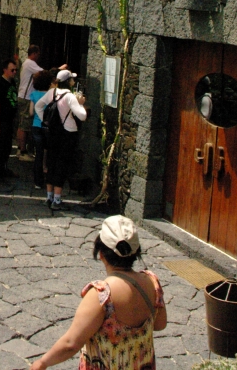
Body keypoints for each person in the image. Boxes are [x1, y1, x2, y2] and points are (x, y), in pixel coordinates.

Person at [30, 216, 166, 370]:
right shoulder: (152, 282)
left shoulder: (102, 295)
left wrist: (42, 363)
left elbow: (71, 344)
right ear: (136, 252)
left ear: (101, 253)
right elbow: (160, 324)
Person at [34, 69, 88, 209]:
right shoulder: (69, 96)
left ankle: (49, 197)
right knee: (62, 165)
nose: (73, 81)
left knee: (51, 163)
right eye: (72, 79)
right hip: (67, 133)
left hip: (53, 132)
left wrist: (45, 121)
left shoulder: (52, 93)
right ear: (69, 81)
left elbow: (38, 106)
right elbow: (82, 116)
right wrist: (80, 103)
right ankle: (57, 200)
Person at [17, 47, 67, 160]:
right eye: (38, 54)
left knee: (21, 124)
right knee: (24, 125)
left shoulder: (26, 63)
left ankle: (20, 148)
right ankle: (22, 152)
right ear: (34, 54)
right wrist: (58, 70)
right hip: (26, 97)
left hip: (23, 95)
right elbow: (44, 74)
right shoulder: (30, 63)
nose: (39, 57)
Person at [29, 70, 54, 188]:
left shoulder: (34, 94)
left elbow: (30, 112)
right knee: (49, 152)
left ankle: (37, 181)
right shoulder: (51, 95)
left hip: (36, 125)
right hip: (48, 126)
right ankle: (50, 178)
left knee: (38, 154)